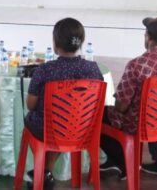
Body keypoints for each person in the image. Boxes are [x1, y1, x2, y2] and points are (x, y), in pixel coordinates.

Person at [100, 16, 157, 180]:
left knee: (97, 116)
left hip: (137, 123)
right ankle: (120, 160)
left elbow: (121, 106)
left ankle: (124, 162)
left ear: (149, 37)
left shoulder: (137, 65)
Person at [23, 18, 103, 188]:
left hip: (49, 129)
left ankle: (42, 172)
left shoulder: (44, 70)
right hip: (83, 128)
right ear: (80, 43)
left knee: (38, 120)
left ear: (55, 43)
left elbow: (30, 105)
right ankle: (46, 171)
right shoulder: (93, 69)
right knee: (59, 123)